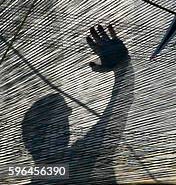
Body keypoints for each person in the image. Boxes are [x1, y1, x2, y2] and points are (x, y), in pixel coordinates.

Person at [21, 24, 134, 184]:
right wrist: (122, 66)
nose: (69, 117)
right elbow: (120, 105)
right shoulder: (84, 157)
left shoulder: (78, 158)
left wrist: (122, 66)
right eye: (62, 115)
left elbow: (119, 107)